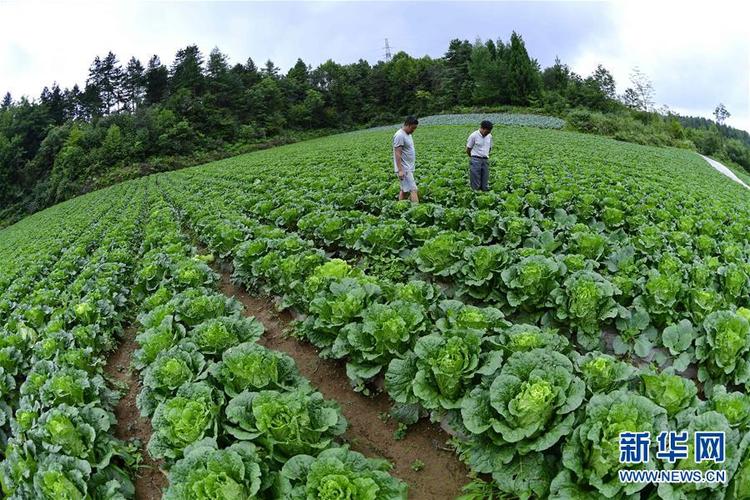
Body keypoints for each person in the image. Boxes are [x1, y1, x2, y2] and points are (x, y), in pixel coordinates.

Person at [393, 116, 419, 203]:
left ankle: (399, 208)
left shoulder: (408, 134)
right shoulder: (399, 135)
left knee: (404, 190)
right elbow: (397, 153)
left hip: (409, 167)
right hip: (404, 168)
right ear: (407, 125)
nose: (413, 130)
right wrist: (400, 170)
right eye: (412, 128)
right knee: (413, 189)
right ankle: (417, 210)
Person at [465, 120, 494, 191]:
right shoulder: (473, 136)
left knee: (485, 179)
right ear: (482, 128)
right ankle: (476, 195)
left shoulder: (489, 136)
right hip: (475, 159)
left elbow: (489, 148)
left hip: (485, 159)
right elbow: (468, 149)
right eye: (486, 132)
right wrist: (473, 158)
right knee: (475, 179)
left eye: (489, 132)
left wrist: (486, 155)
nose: (487, 133)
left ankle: (484, 193)